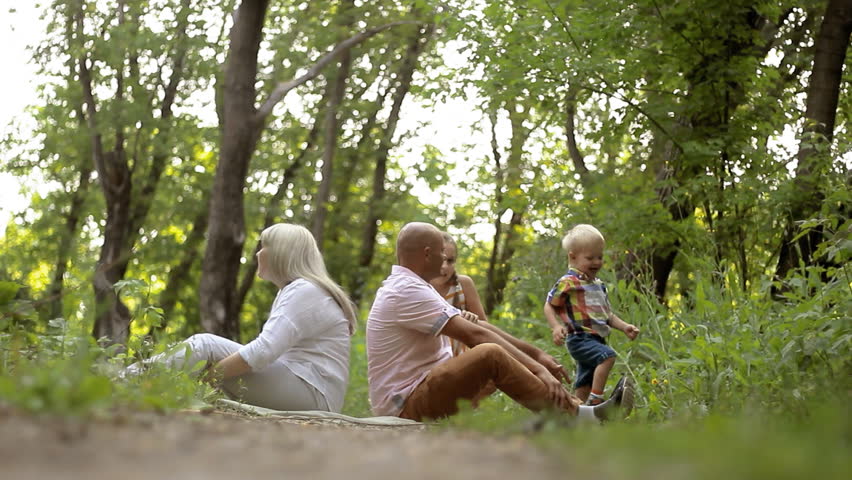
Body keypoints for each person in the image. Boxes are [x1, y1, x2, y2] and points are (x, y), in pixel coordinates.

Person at [366, 222, 632, 422]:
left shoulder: (411, 286)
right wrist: (538, 370)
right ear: (426, 254)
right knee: (489, 354)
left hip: (423, 390)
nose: (444, 260)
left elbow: (481, 327)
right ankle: (580, 418)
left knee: (498, 364)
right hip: (405, 406)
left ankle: (570, 414)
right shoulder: (406, 290)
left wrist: (537, 356)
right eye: (440, 253)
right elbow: (476, 337)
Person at [123, 223, 356, 413]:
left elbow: (262, 352)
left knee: (206, 345)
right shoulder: (299, 290)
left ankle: (122, 383)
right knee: (215, 356)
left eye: (264, 246)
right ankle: (139, 387)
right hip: (311, 391)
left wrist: (206, 379)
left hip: (313, 393)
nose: (258, 253)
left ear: (281, 253)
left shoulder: (304, 291)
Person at [543, 224, 639, 406]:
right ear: (573, 256)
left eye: (600, 257)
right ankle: (596, 399)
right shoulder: (568, 282)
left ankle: (576, 410)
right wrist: (555, 326)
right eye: (590, 258)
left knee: (584, 382)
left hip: (597, 339)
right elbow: (549, 305)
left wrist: (625, 326)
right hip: (579, 338)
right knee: (607, 356)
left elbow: (607, 316)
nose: (596, 262)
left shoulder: (597, 285)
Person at [429, 232, 488, 357]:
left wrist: (472, 321)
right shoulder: (417, 289)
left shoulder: (463, 284)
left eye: (450, 261)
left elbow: (485, 328)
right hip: (428, 366)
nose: (444, 266)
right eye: (441, 259)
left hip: (462, 361)